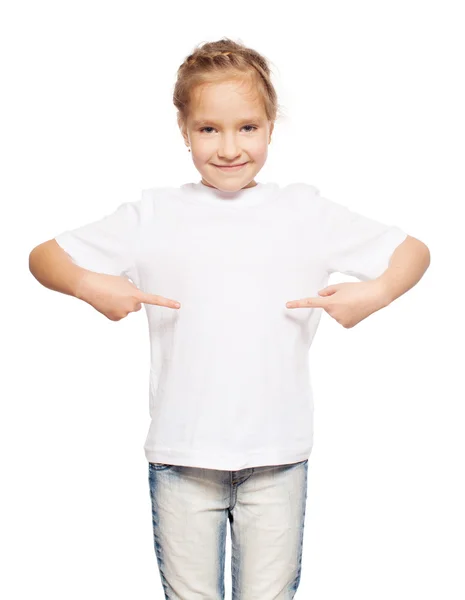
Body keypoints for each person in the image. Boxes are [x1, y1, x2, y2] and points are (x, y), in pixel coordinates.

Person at [29, 37, 430, 600]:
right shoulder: (154, 213)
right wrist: (88, 284)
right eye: (208, 129)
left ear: (271, 127)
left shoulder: (305, 211)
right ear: (184, 129)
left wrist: (377, 292)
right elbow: (44, 256)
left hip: (278, 457)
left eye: (247, 127)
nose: (229, 147)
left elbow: (412, 251)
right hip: (182, 455)